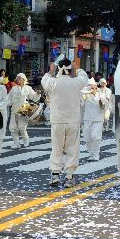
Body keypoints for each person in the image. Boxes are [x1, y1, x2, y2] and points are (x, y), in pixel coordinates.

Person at [41, 56, 88, 187]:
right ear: (69, 69)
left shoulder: (53, 82)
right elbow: (84, 77)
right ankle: (69, 176)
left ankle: (55, 174)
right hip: (73, 120)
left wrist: (51, 70)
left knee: (56, 147)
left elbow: (45, 80)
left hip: (57, 120)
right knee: (72, 148)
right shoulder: (76, 82)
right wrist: (76, 68)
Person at [8, 73, 39, 148]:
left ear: (23, 80)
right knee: (13, 127)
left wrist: (37, 93)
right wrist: (1, 105)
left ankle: (26, 140)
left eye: (19, 78)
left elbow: (34, 98)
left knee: (22, 127)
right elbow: (8, 99)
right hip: (14, 110)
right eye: (17, 78)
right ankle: (16, 143)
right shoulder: (13, 88)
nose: (18, 79)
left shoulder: (28, 88)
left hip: (24, 109)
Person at [81, 77, 109, 161]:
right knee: (87, 137)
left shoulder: (101, 94)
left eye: (92, 86)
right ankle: (91, 154)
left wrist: (101, 100)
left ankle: (96, 154)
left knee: (95, 136)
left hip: (97, 119)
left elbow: (105, 106)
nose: (91, 87)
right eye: (89, 86)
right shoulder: (85, 95)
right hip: (87, 118)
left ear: (96, 86)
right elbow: (81, 105)